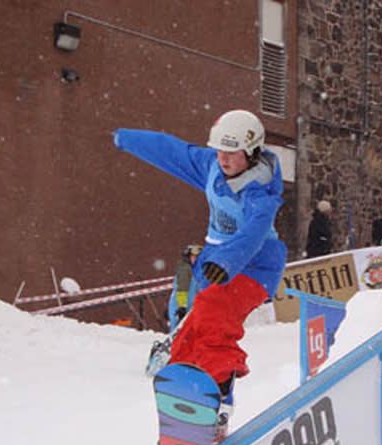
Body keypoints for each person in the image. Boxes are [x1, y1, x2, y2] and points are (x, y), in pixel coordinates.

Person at [113, 109, 287, 428]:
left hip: (255, 265)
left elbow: (254, 232)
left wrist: (226, 261)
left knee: (212, 313)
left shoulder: (258, 193)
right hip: (216, 264)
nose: (223, 159)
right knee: (189, 332)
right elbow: (173, 151)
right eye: (220, 150)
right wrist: (127, 138)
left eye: (232, 152)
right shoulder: (211, 167)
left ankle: (220, 399)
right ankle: (185, 394)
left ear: (251, 152)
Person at [167, 244, 201, 333]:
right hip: (181, 308)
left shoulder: (195, 271)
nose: (197, 259)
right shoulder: (185, 269)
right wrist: (182, 307)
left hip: (189, 308)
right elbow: (182, 289)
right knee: (179, 335)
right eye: (194, 257)